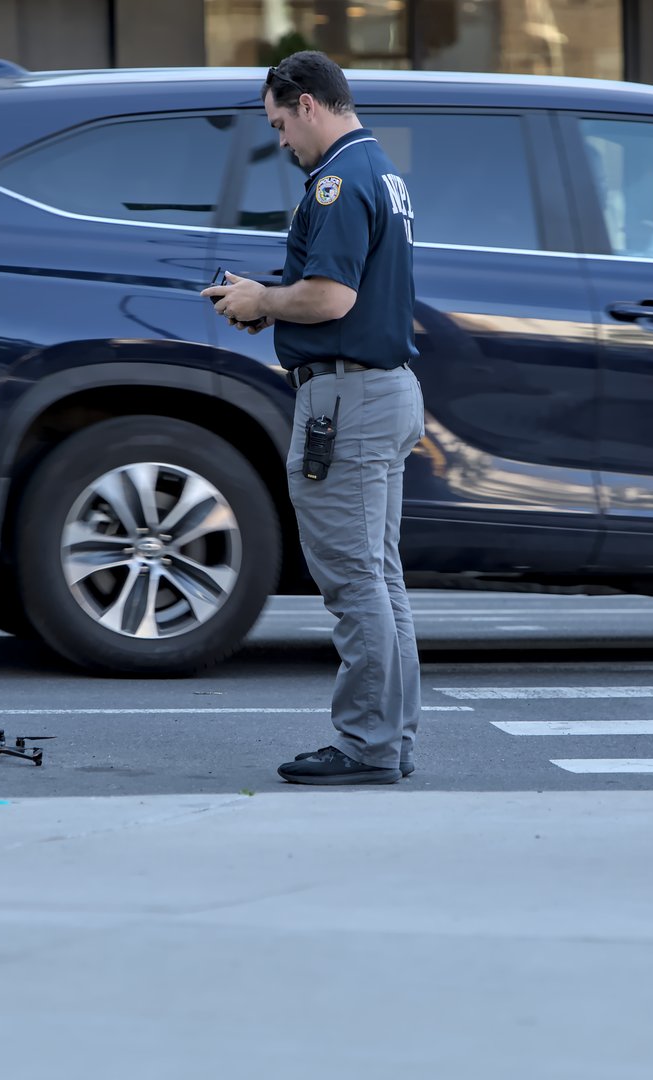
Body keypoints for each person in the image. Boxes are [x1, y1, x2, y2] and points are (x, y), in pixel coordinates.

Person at [202, 51, 424, 786]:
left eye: (279, 124)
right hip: (385, 388)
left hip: (347, 401)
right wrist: (266, 299)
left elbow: (330, 299)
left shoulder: (336, 180)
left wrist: (265, 301)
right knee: (380, 576)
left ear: (307, 103)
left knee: (355, 580)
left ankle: (367, 744)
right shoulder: (381, 171)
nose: (281, 142)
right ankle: (390, 737)